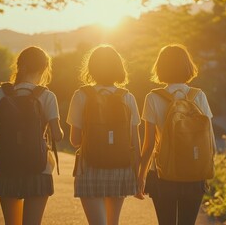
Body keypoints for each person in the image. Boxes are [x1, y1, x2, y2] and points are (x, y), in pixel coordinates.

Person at [0, 46, 64, 225]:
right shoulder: (47, 96)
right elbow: (58, 136)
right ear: (44, 70)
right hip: (39, 169)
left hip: (7, 168)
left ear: (19, 66)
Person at [136, 44, 216, 225]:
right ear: (188, 66)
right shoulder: (198, 96)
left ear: (160, 68)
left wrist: (140, 176)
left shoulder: (153, 97)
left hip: (163, 175)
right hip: (195, 174)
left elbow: (149, 144)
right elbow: (210, 139)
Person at [66, 45, 141, 225]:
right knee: (112, 222)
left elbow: (75, 141)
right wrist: (139, 175)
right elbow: (135, 142)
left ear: (91, 68)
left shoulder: (81, 95)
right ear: (118, 68)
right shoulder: (127, 97)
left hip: (89, 168)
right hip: (120, 168)